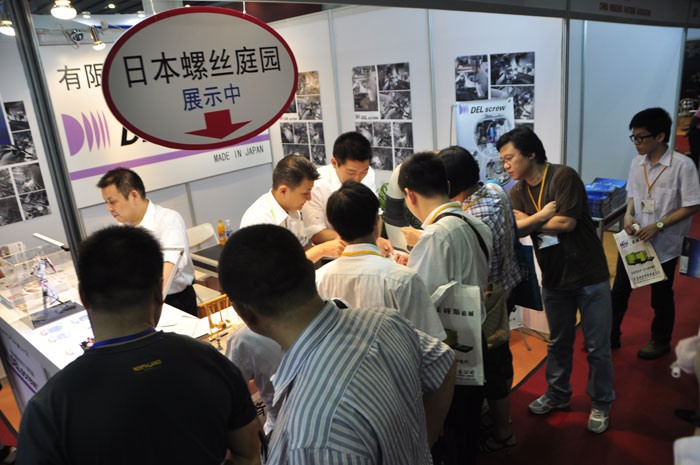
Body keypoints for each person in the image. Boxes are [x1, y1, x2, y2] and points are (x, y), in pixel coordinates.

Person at [16, 226, 261, 464]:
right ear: (158, 292)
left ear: (83, 296)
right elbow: (250, 454)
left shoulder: (49, 408)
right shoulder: (212, 361)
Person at [218, 224, 456, 464]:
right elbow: (445, 360)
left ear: (244, 313)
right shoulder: (386, 321)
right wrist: (421, 446)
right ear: (310, 271)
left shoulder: (306, 439)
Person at [498, 126, 615, 434]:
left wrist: (529, 221)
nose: (505, 166)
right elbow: (517, 229)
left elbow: (565, 223)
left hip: (589, 275)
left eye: (509, 158)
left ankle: (601, 402)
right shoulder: (516, 192)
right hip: (553, 277)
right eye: (503, 160)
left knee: (597, 347)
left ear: (530, 153)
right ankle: (558, 394)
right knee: (558, 342)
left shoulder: (563, 177)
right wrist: (540, 217)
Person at [398, 151, 492, 465]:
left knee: (446, 430)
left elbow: (421, 300)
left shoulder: (435, 235)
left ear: (410, 195)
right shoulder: (477, 224)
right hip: (474, 334)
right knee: (468, 425)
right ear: (448, 186)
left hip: (446, 346)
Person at [439, 146, 522, 453]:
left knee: (490, 364)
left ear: (448, 185)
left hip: (485, 301)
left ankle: (503, 432)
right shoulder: (495, 190)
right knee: (497, 358)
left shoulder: (469, 216)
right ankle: (498, 419)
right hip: (506, 287)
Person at [612, 108, 700, 359]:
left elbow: (692, 205)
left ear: (660, 136)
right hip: (635, 240)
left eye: (641, 137)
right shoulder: (636, 163)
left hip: (665, 244)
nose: (636, 143)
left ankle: (660, 341)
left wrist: (659, 225)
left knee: (660, 296)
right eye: (634, 137)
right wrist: (628, 215)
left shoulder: (682, 166)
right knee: (619, 291)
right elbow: (633, 195)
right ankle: (609, 335)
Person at [316, 180, 446, 340]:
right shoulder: (404, 279)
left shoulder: (318, 279)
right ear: (376, 221)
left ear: (334, 227)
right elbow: (430, 341)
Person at [97, 168, 196, 316]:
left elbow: (169, 268)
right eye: (106, 203)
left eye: (113, 202)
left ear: (133, 196)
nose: (109, 208)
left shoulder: (168, 220)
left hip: (173, 300)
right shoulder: (123, 226)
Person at [240, 154, 346, 263]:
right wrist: (322, 250)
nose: (309, 198)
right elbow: (278, 268)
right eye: (305, 193)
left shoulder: (292, 209)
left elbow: (301, 249)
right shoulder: (259, 221)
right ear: (283, 191)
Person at [302, 132, 392, 256]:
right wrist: (363, 241)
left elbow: (376, 214)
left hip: (366, 252)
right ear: (334, 163)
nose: (358, 178)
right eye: (351, 172)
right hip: (332, 256)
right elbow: (316, 234)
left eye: (364, 171)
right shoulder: (317, 184)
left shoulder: (369, 173)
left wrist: (376, 239)